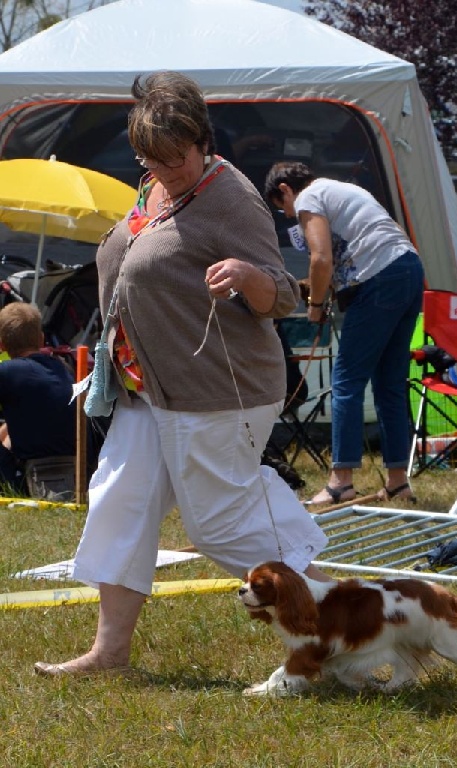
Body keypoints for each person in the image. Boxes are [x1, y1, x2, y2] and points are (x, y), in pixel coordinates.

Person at [34, 71, 330, 677]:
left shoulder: (233, 197)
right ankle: (109, 654)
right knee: (118, 503)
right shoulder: (152, 190)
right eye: (151, 159)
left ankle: (339, 619)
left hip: (217, 389)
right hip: (147, 388)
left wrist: (247, 277)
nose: (165, 170)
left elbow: (282, 294)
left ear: (203, 141)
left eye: (176, 158)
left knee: (219, 524)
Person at [264, 161, 424, 506]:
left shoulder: (309, 198)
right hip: (408, 269)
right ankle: (398, 482)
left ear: (285, 190)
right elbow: (386, 233)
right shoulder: (348, 190)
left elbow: (321, 259)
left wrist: (316, 306)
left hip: (380, 279)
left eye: (285, 210)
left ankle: (341, 482)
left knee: (347, 381)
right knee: (390, 384)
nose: (292, 217)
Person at [0, 303, 80, 494]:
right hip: (74, 468)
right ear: (41, 338)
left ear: (2, 345)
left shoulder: (6, 372)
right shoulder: (62, 368)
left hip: (27, 474)